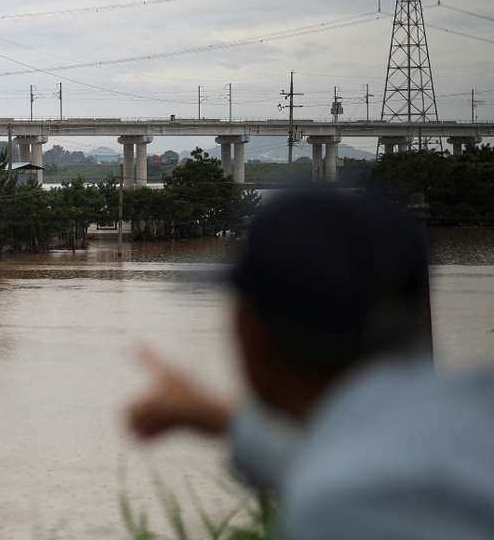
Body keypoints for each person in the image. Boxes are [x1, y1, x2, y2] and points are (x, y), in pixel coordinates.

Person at [126, 190, 494, 539]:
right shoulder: (476, 413)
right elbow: (370, 469)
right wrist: (222, 419)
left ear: (252, 332)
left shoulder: (337, 509)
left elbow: (354, 484)